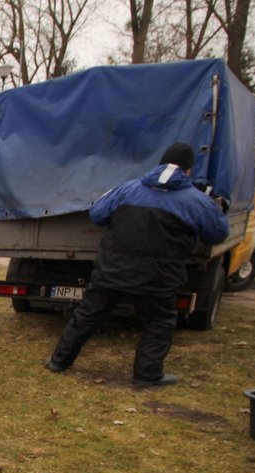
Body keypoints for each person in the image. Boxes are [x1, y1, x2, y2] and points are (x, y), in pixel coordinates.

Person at [45, 142, 230, 386]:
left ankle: (59, 361)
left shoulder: (127, 189)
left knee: (88, 315)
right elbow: (217, 233)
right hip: (159, 277)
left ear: (161, 163)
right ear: (188, 170)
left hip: (112, 270)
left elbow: (97, 214)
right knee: (158, 322)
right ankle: (147, 374)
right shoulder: (196, 201)